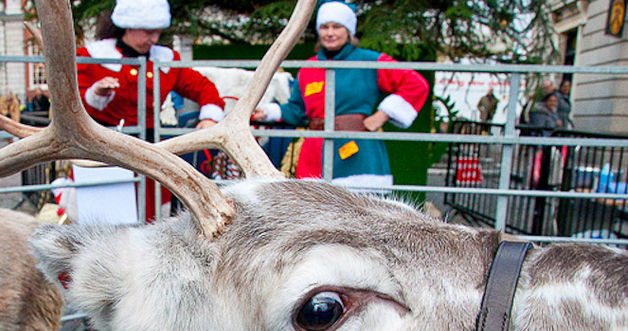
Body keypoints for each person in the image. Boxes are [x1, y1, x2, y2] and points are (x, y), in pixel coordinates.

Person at [252, 1, 428, 190]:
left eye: (337, 27)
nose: (330, 33)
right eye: (324, 27)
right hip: (315, 153)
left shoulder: (369, 61)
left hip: (358, 153)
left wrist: (382, 115)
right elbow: (298, 111)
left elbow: (416, 84)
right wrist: (268, 112)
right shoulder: (308, 68)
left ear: (349, 30)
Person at [76, 0, 225, 220]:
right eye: (148, 32)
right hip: (103, 152)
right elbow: (72, 104)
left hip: (150, 151)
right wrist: (96, 94)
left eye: (157, 33)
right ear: (128, 26)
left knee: (151, 218)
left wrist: (209, 119)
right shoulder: (92, 57)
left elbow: (204, 87)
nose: (153, 39)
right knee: (103, 220)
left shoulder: (166, 59)